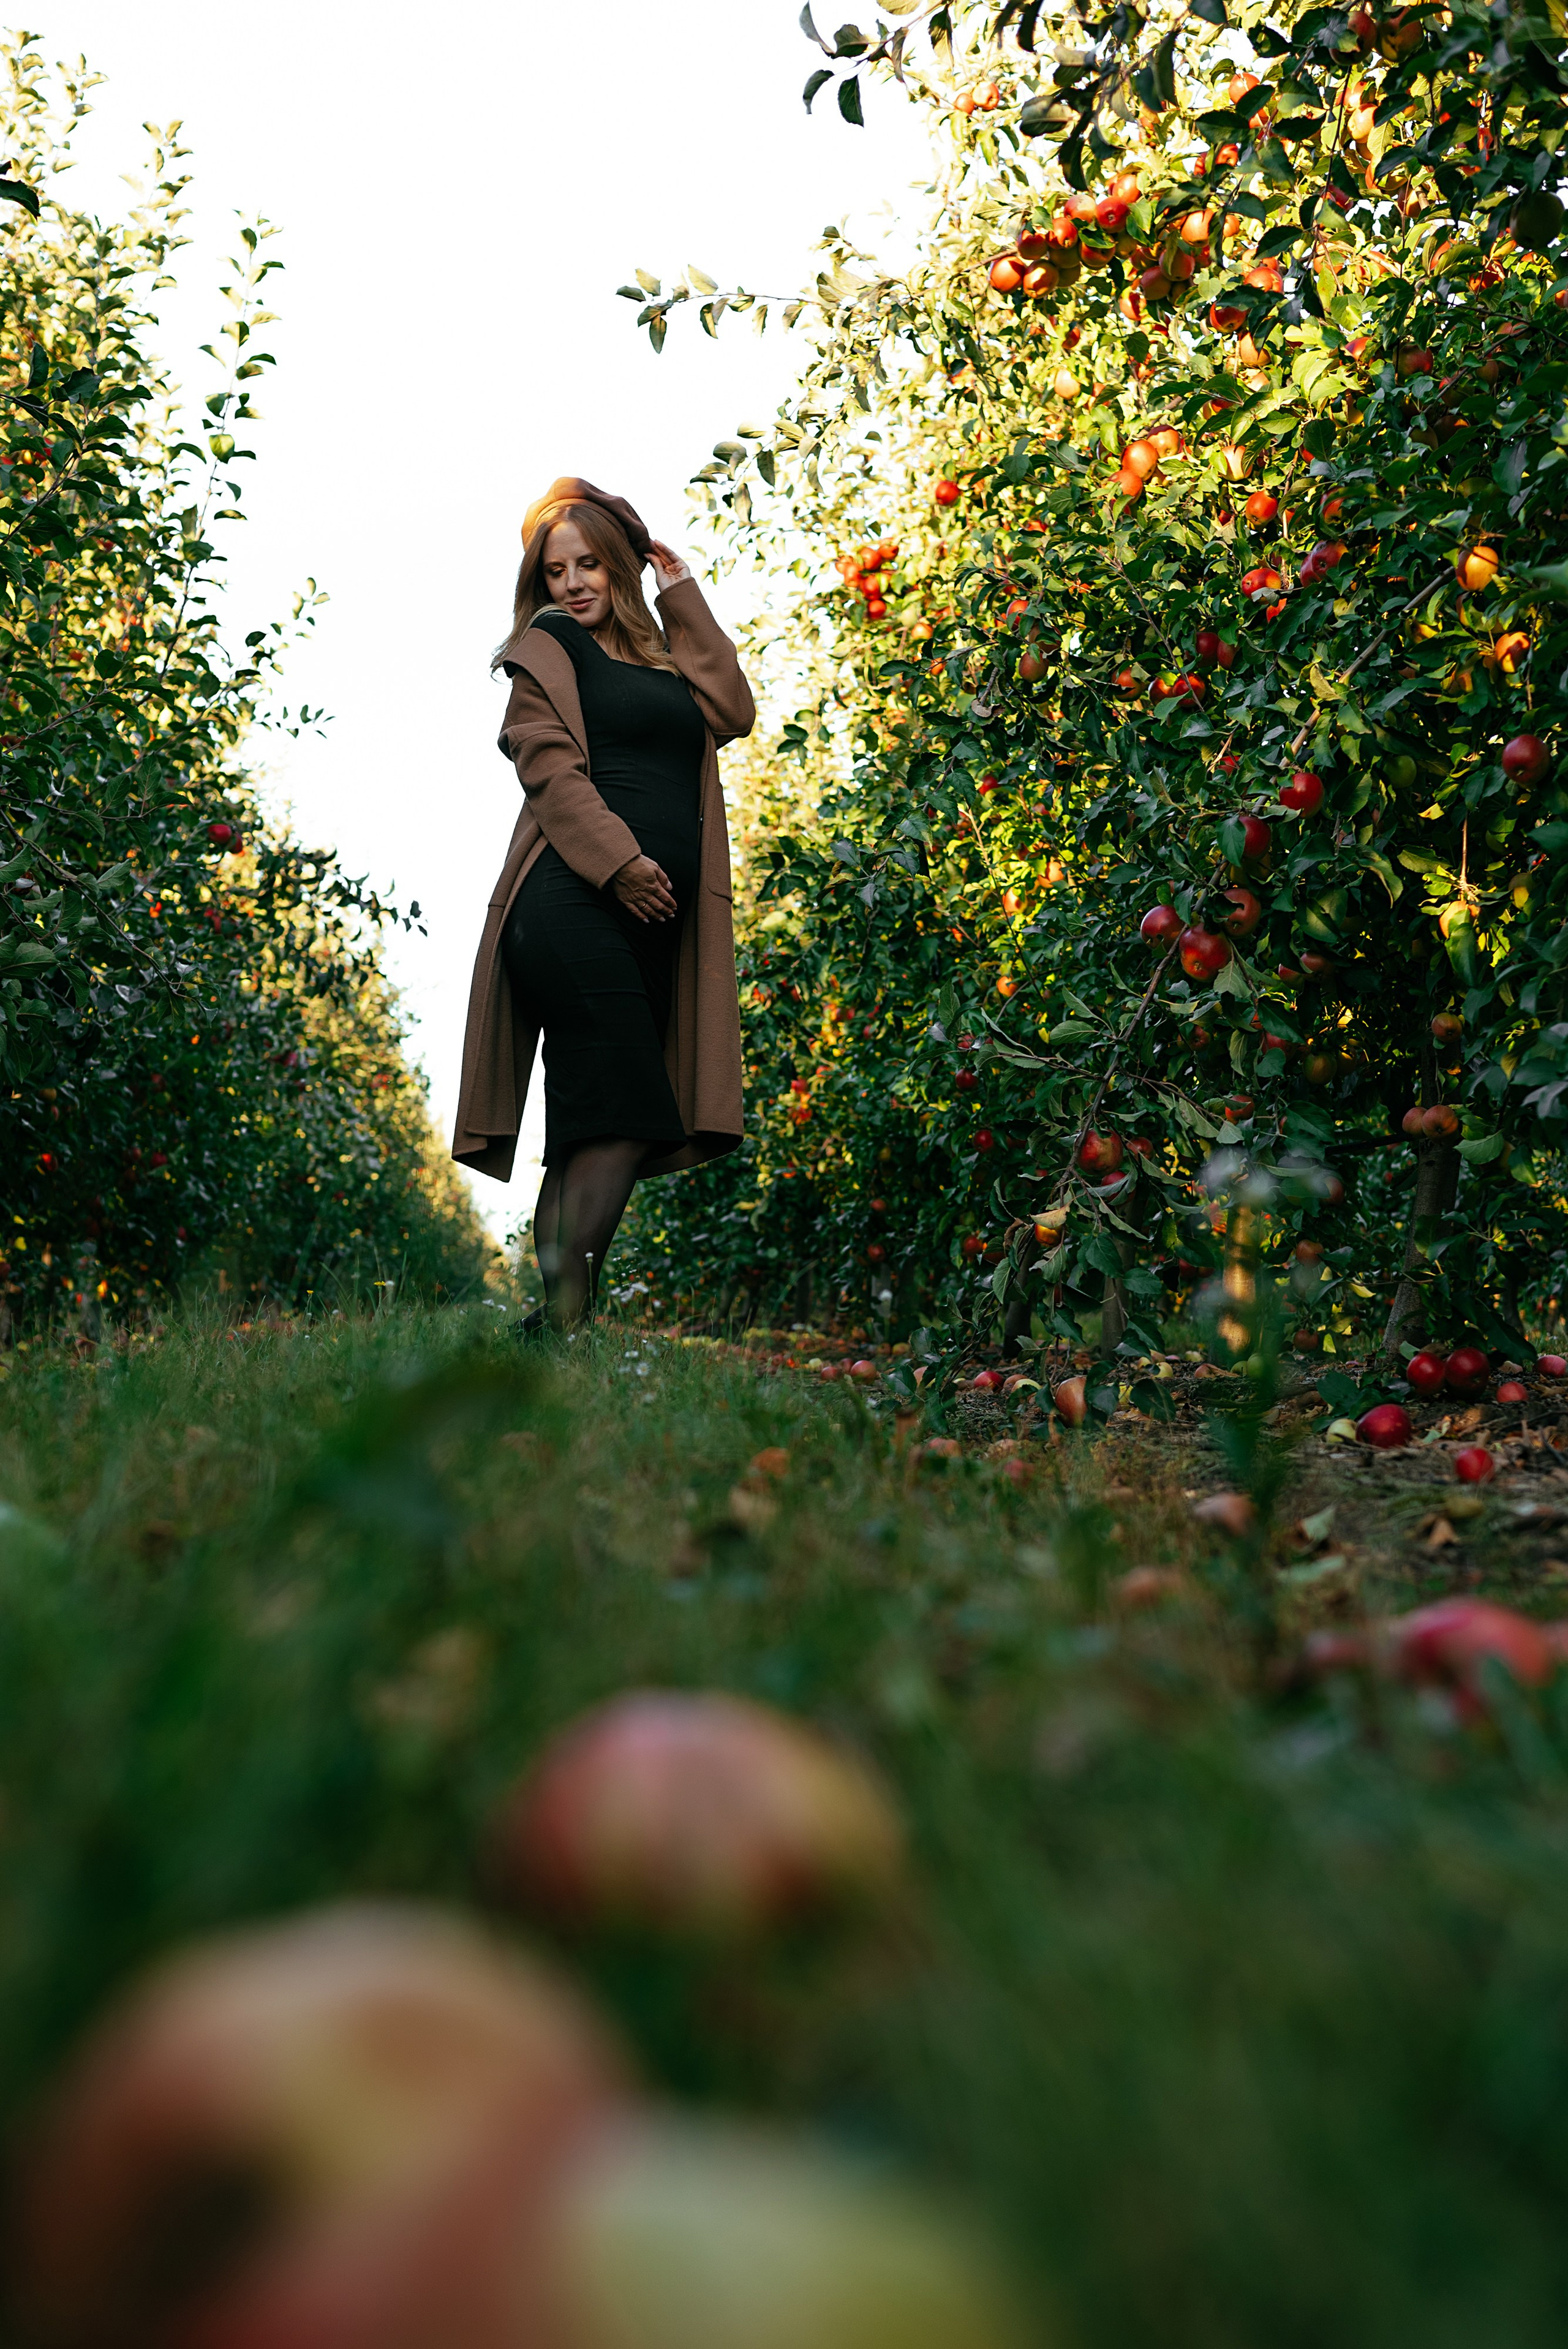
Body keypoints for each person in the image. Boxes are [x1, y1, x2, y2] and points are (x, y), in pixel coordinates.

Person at [452, 478, 755, 1329]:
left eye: (590, 563)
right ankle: (563, 1329)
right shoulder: (549, 647)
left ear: (619, 565)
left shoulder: (661, 660)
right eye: (556, 571)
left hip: (649, 928)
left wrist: (681, 590)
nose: (574, 583)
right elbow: (544, 765)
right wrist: (620, 862)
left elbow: (734, 709)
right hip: (571, 903)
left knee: (594, 1125)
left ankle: (550, 1338)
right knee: (627, 1112)